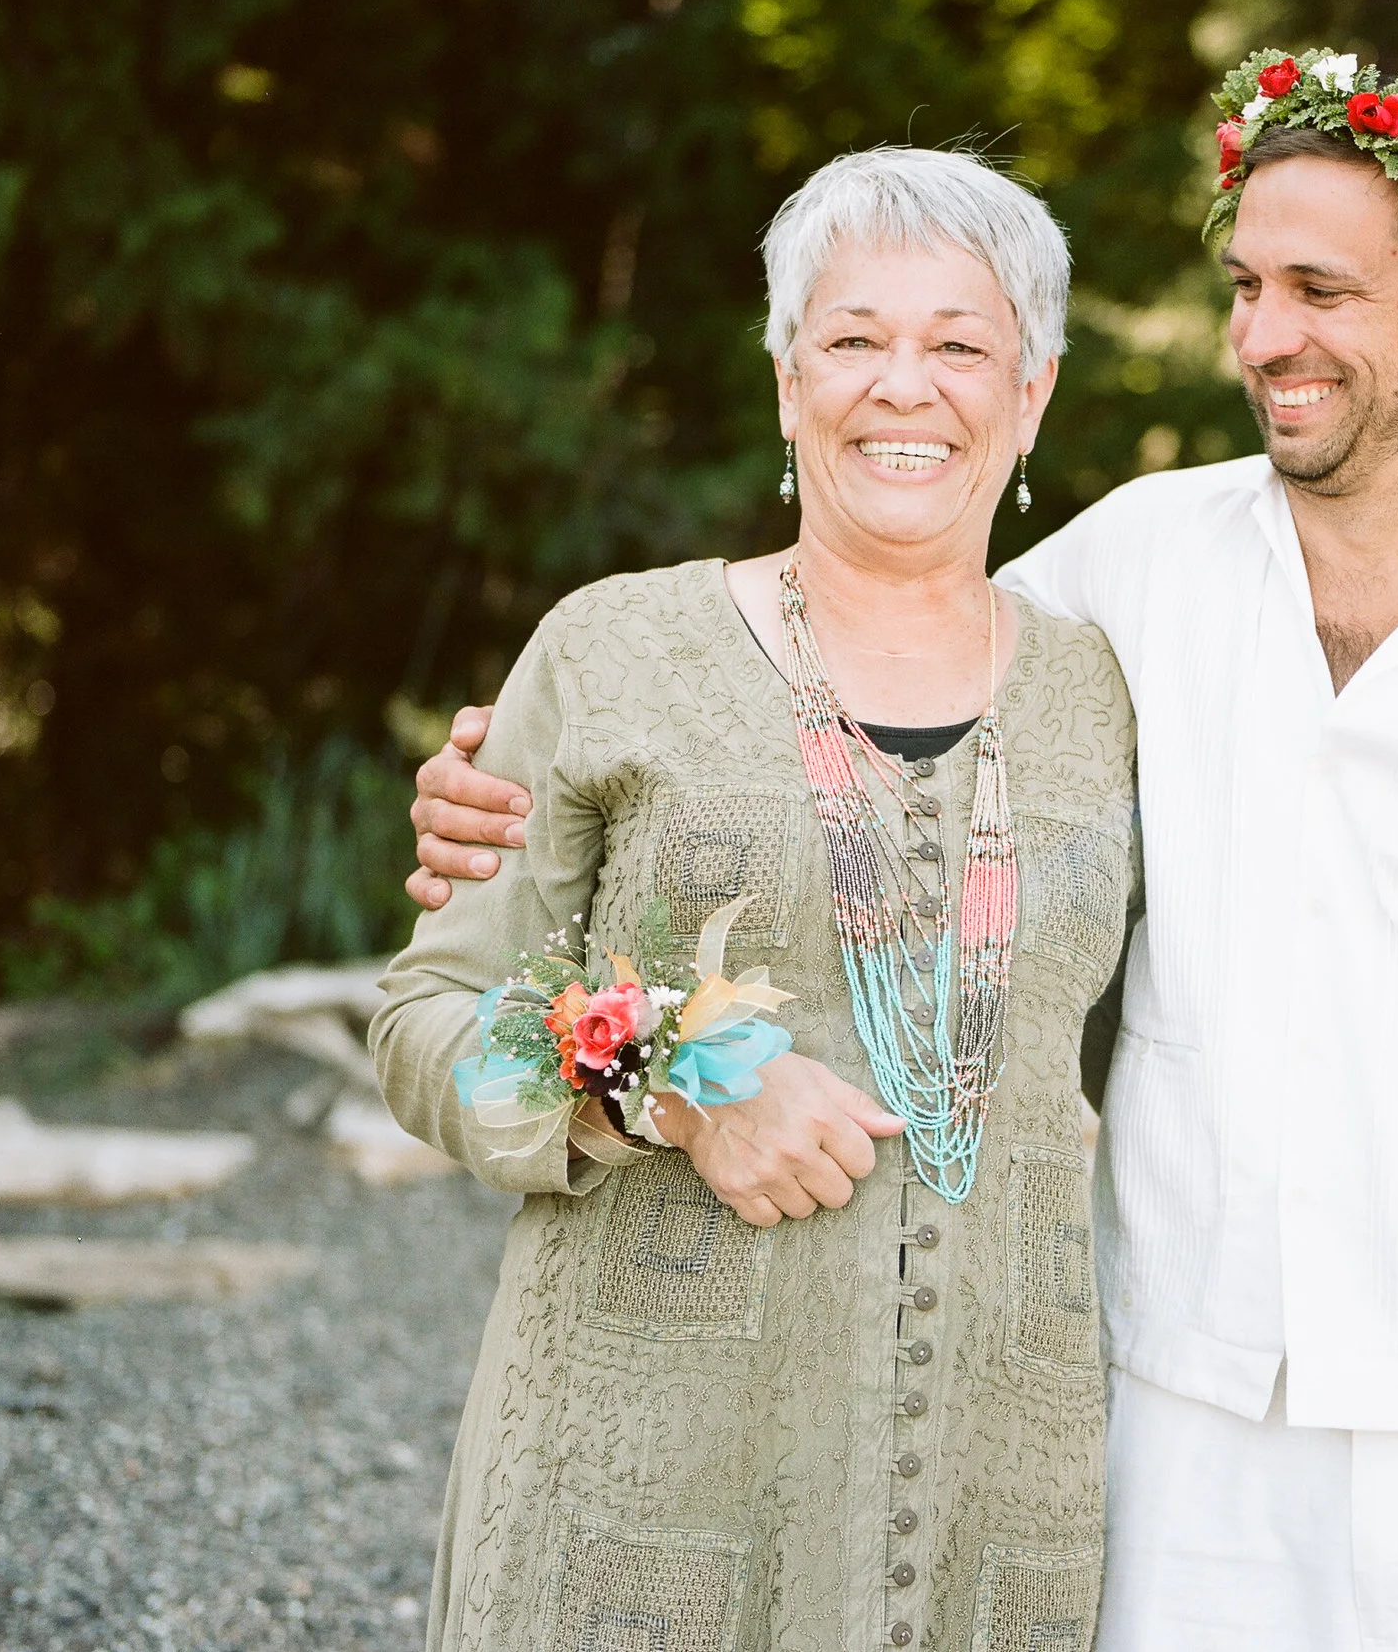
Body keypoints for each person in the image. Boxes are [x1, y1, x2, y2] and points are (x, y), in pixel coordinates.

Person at [410, 50, 1398, 1651]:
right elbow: (857, 646)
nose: (1267, 336)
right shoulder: (1139, 572)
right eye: (1247, 286)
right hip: (1198, 1420)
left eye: (1323, 290)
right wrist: (492, 785)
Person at [370, 147, 1139, 1652]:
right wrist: (673, 1083)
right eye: (853, 338)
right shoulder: (612, 652)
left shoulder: (1113, 694)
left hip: (1002, 1494)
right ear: (789, 383)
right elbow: (425, 1016)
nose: (902, 386)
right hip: (641, 1477)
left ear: (1032, 392)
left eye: (959, 343)